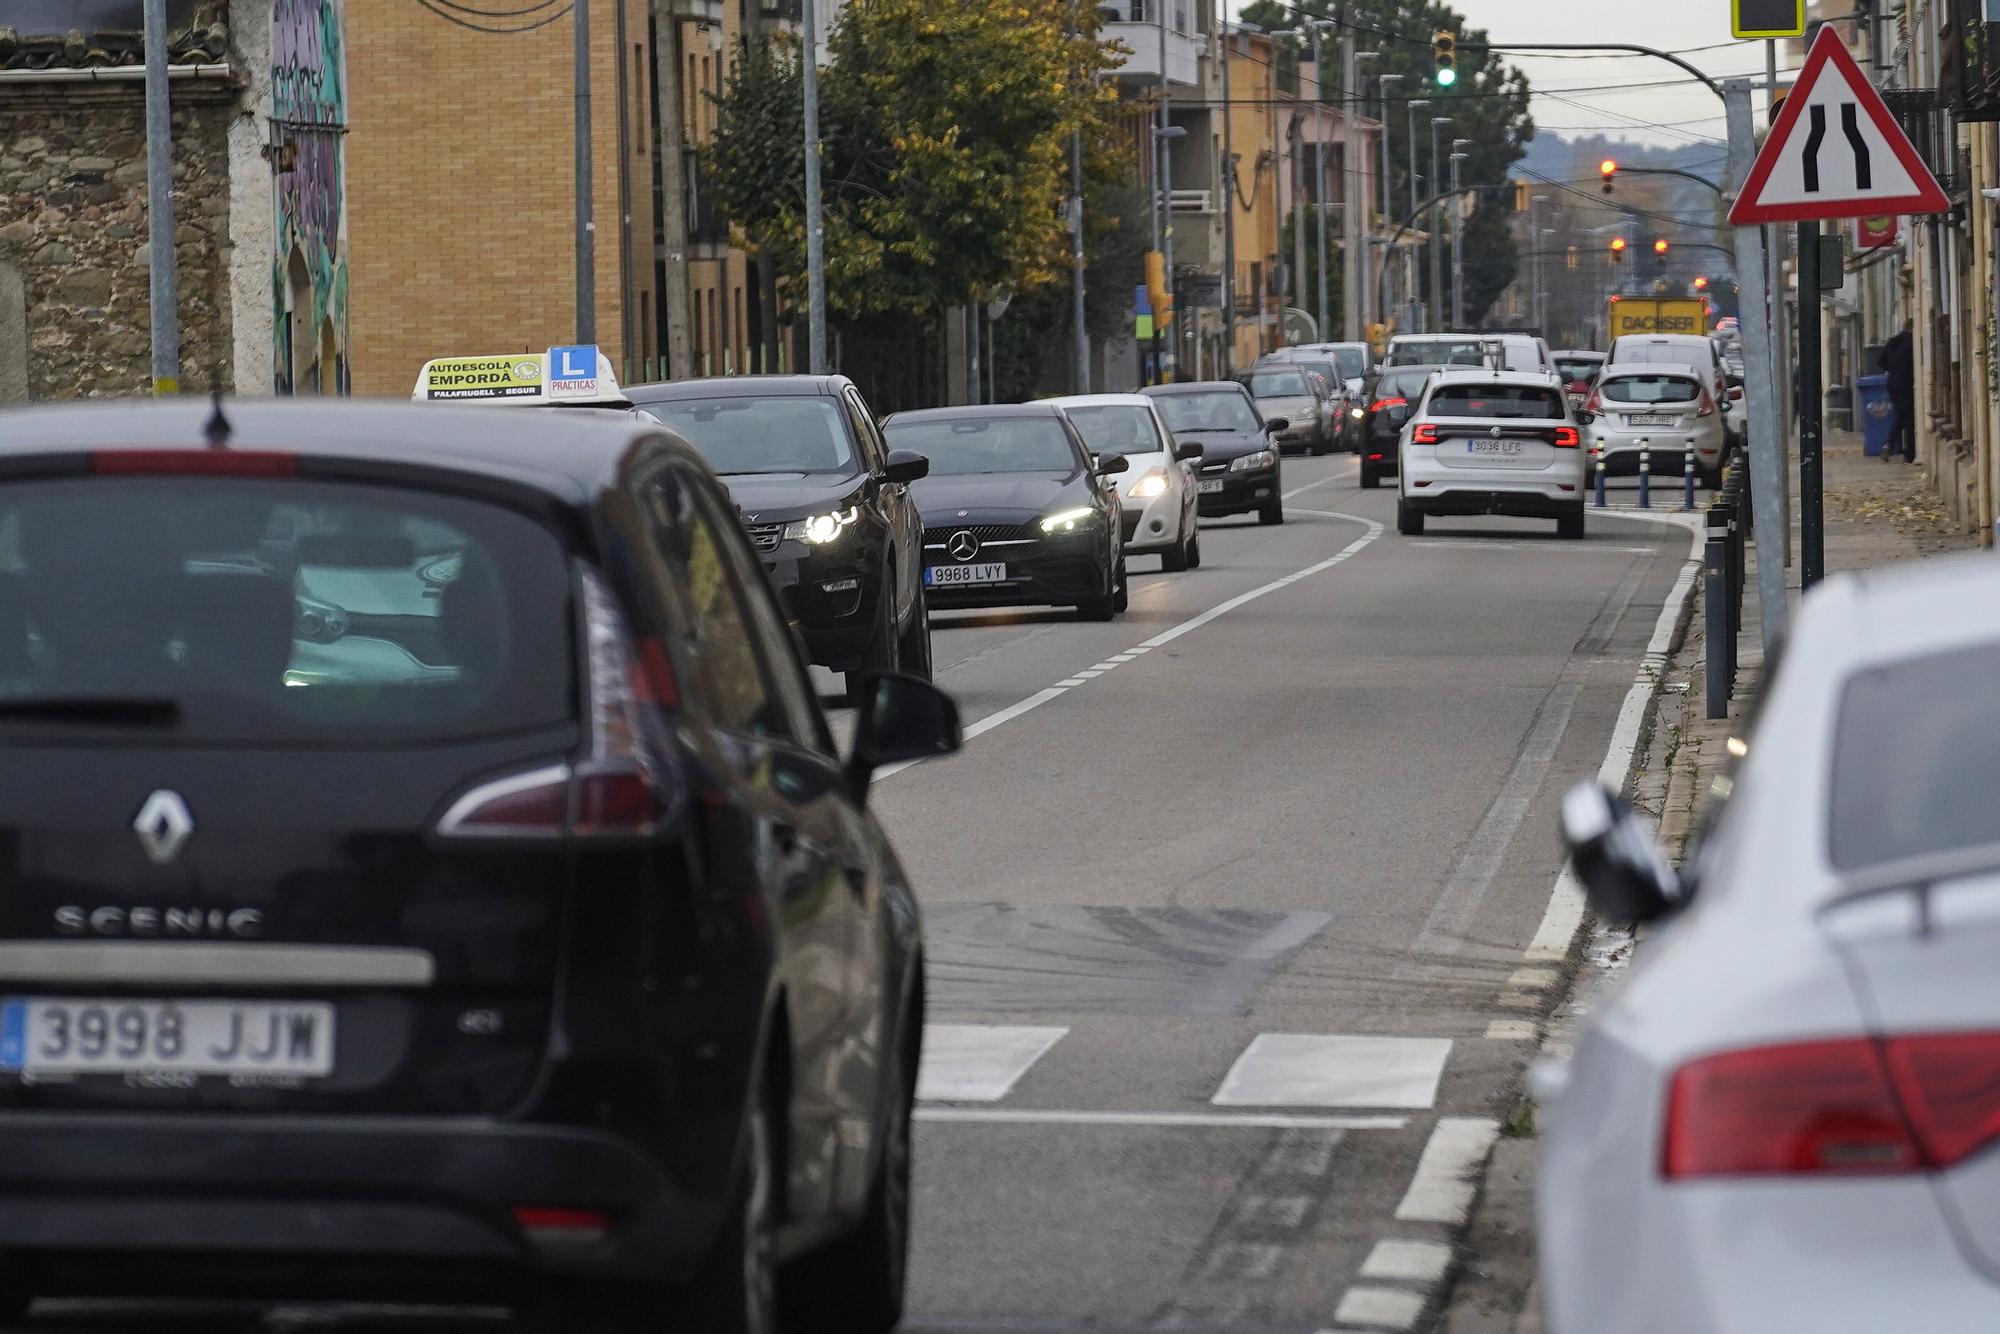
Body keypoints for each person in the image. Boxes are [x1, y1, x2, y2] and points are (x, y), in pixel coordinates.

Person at [1880, 321, 1917, 463]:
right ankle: (1909, 453)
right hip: (1906, 384)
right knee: (1908, 419)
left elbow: (1881, 362)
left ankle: (1889, 445)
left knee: (1899, 416)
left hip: (1892, 384)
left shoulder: (1891, 342)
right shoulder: (1911, 343)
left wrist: (1894, 369)